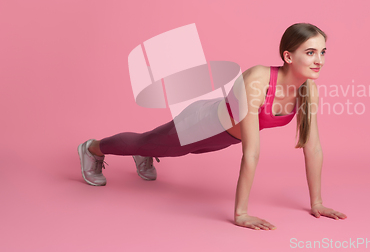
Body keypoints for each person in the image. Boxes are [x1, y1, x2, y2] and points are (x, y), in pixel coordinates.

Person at [77, 22, 347, 230]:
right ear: (288, 56)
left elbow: (313, 148)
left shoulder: (308, 89)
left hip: (225, 138)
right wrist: (240, 214)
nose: (319, 60)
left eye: (322, 51)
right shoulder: (258, 78)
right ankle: (92, 148)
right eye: (310, 52)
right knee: (145, 141)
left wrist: (317, 203)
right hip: (201, 125)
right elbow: (252, 151)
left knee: (159, 146)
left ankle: (144, 153)